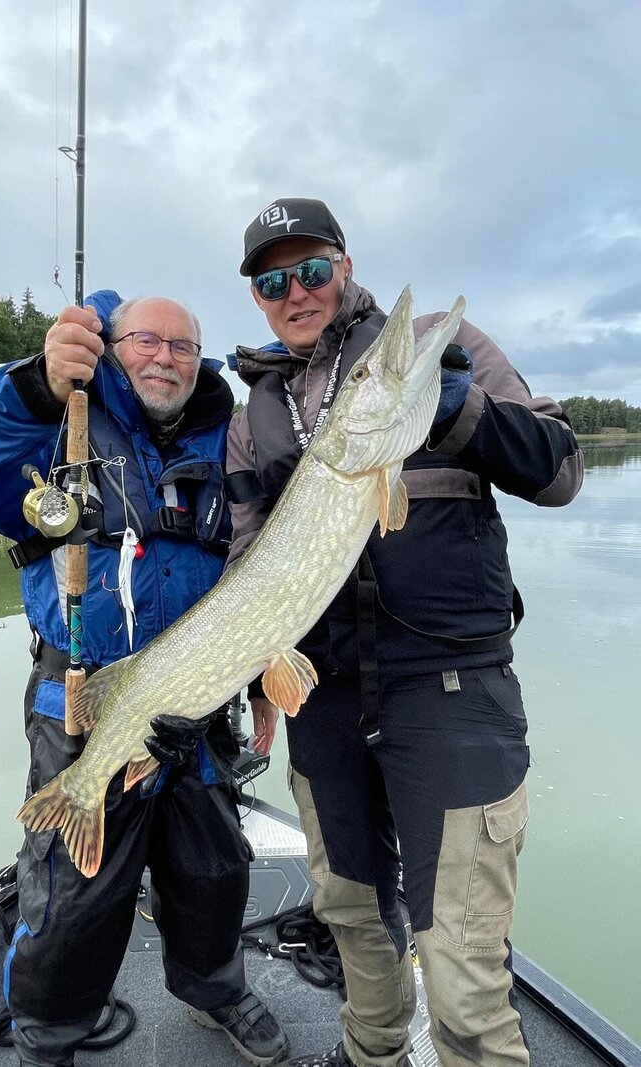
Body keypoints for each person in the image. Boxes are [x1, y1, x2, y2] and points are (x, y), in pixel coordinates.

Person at [225, 197, 584, 1067]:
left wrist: (464, 410)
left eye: (312, 269)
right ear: (260, 299)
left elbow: (562, 471)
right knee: (350, 909)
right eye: (274, 282)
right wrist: (229, 683)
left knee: (461, 959)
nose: (296, 291)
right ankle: (371, 1051)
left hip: (452, 695)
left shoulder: (439, 350)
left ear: (344, 267)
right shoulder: (254, 419)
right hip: (325, 703)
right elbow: (246, 572)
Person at [0, 292, 289, 1067]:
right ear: (114, 347)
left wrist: (258, 683)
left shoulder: (227, 442)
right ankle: (50, 1032)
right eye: (147, 341)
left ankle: (214, 988)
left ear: (202, 360)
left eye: (184, 347)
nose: (165, 357)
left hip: (197, 696)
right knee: (71, 897)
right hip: (83, 700)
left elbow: (263, 569)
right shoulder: (58, 425)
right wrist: (34, 383)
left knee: (214, 868)